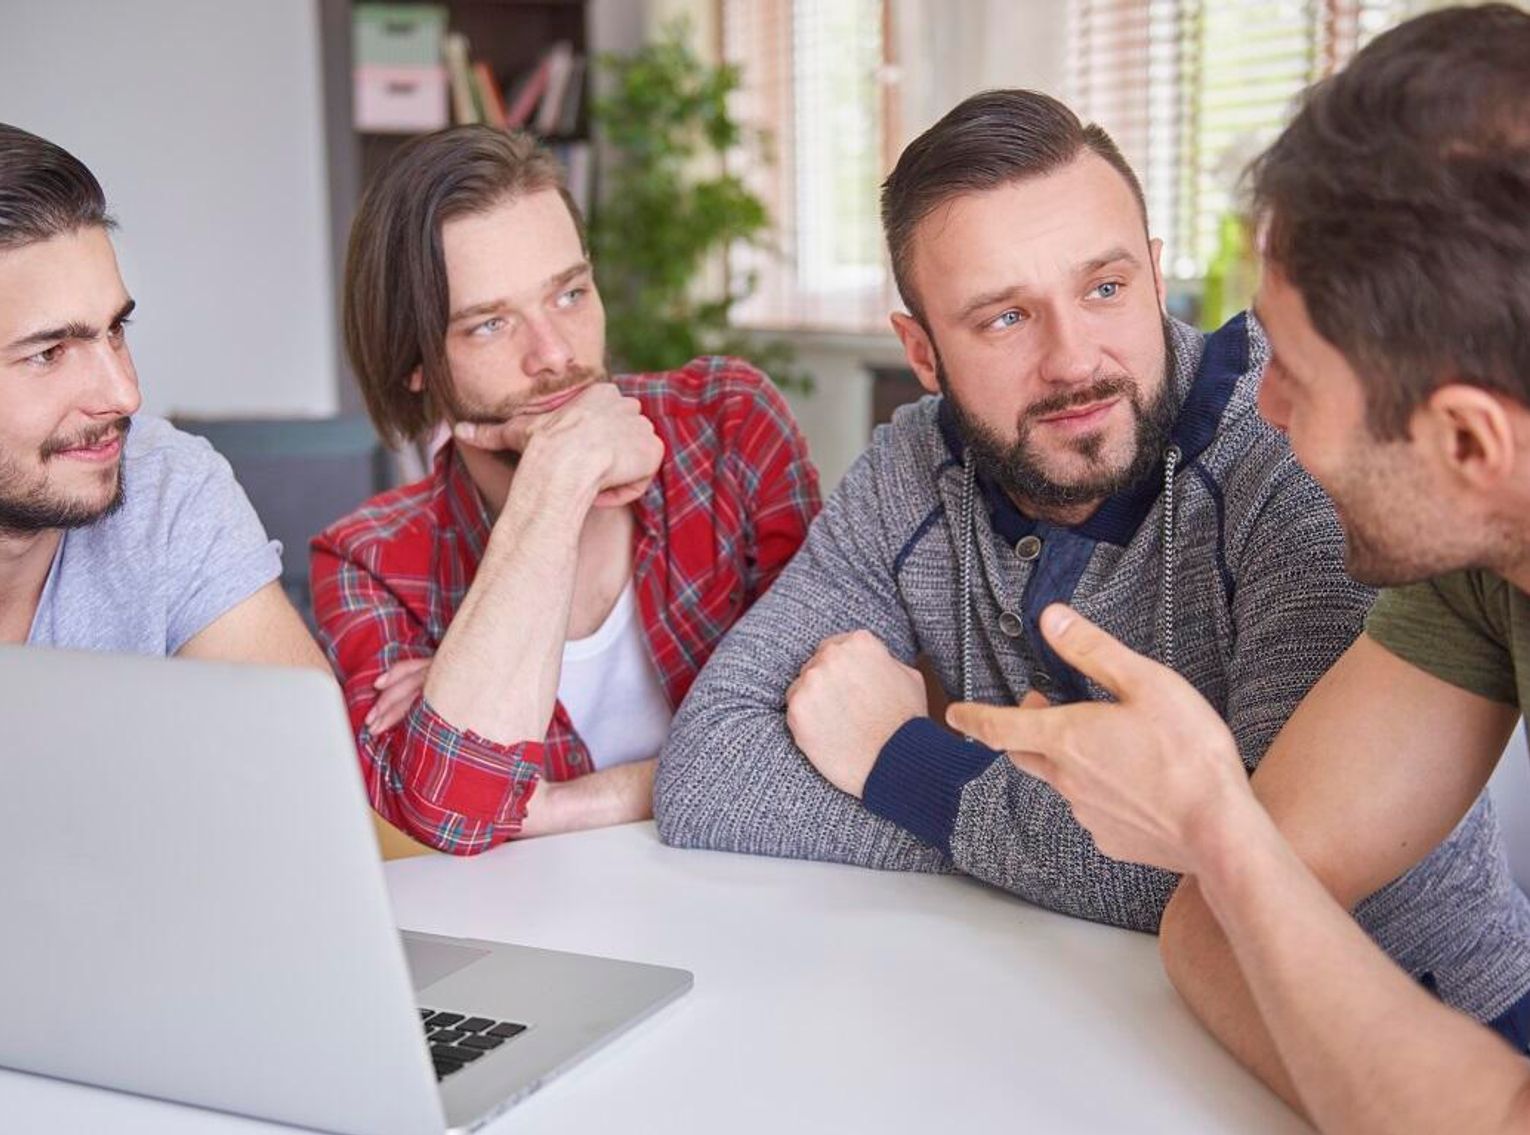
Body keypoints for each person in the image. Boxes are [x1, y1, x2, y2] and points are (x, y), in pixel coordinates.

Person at [654, 87, 1530, 1066]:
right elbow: (713, 769)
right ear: (921, 352)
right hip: (1081, 1024)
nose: (1075, 360)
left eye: (1105, 289)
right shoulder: (909, 469)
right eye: (1003, 318)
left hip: (1441, 1036)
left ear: (1156, 278)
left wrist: (899, 762)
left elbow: (1265, 870)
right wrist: (1074, 836)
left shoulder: (1296, 452)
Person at [947, 8, 1530, 1135]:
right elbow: (1220, 925)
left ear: (1466, 442)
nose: (1259, 406)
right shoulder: (1479, 549)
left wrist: (1217, 822)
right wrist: (1407, 1099)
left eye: (1300, 381)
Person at [311, 127, 820, 856]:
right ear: (413, 363)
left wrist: (558, 802)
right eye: (490, 325)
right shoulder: (369, 560)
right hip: (553, 947)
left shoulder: (727, 422)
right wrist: (555, 484)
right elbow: (452, 812)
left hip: (768, 900)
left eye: (570, 293)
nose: (556, 354)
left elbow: (828, 735)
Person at [0, 122, 324, 668]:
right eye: (48, 352)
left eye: (116, 331)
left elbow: (297, 749)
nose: (125, 395)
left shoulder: (164, 484)